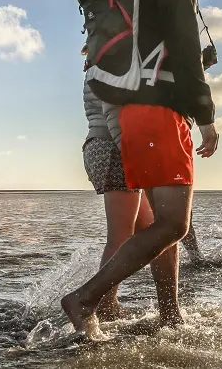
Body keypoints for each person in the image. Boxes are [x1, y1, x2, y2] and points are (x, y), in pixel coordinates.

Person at [62, 0, 219, 337]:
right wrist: (206, 118)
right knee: (174, 225)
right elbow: (185, 54)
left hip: (136, 115)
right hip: (158, 115)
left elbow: (162, 54)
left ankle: (170, 313)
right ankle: (86, 298)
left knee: (159, 224)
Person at [82, 73, 178, 322]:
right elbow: (118, 108)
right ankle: (102, 306)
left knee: (156, 232)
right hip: (116, 148)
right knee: (120, 236)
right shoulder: (112, 58)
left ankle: (166, 312)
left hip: (106, 146)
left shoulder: (101, 54)